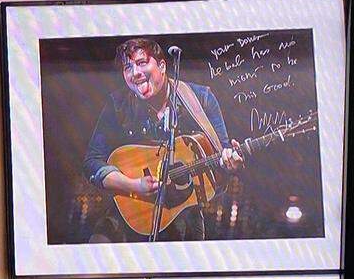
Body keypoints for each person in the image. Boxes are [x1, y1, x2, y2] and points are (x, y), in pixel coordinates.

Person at [82, 37, 244, 242]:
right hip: (129, 212)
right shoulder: (118, 104)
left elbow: (222, 154)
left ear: (162, 66)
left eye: (142, 63)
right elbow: (92, 162)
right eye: (127, 68)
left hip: (183, 216)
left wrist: (231, 164)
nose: (135, 73)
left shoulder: (201, 99)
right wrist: (134, 186)